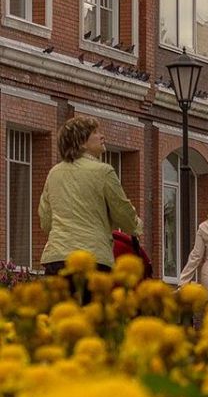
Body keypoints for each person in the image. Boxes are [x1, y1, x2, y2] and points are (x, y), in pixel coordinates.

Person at [39, 117, 141, 285]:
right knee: (91, 310)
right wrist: (136, 223)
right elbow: (124, 216)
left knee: (62, 309)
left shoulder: (54, 173)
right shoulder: (104, 172)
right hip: (94, 258)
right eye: (95, 133)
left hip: (57, 258)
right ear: (82, 142)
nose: (102, 136)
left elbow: (46, 221)